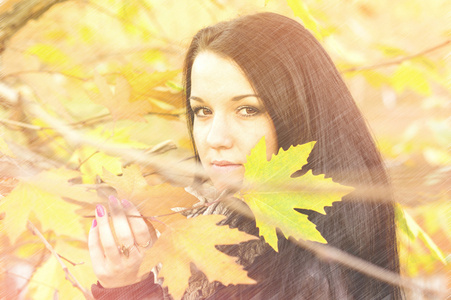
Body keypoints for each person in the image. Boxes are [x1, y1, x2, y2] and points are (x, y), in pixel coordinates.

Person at [88, 12, 403, 299]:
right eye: (203, 111)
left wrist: (129, 292)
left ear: (299, 117)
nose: (215, 138)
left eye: (248, 109)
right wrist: (126, 281)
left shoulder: (312, 274)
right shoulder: (215, 227)